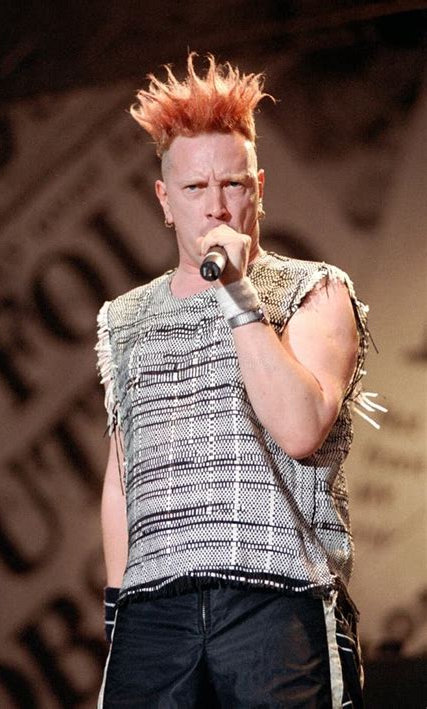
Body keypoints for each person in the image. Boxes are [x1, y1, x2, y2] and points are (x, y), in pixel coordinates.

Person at [96, 53, 379, 708]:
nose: (216, 206)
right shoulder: (124, 319)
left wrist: (238, 292)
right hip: (153, 613)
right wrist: (122, 611)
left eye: (232, 185)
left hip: (277, 602)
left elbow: (301, 425)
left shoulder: (315, 289)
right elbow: (122, 474)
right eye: (195, 189)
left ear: (259, 186)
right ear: (165, 200)